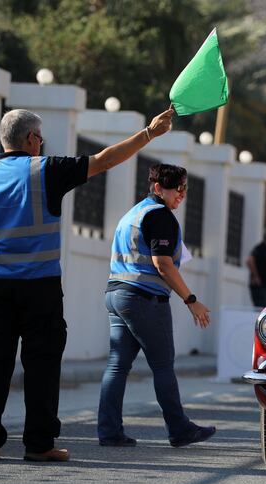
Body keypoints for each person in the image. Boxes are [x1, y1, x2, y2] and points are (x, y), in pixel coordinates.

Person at [0, 105, 174, 462]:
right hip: (40, 283)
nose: (42, 143)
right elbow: (105, 160)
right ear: (32, 139)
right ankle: (39, 443)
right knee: (42, 363)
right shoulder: (45, 169)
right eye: (41, 137)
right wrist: (149, 134)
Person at [99, 163, 215, 448]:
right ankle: (179, 429)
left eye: (184, 188)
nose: (182, 194)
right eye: (177, 189)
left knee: (117, 366)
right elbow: (162, 264)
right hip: (144, 298)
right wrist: (191, 300)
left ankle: (109, 432)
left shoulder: (134, 213)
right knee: (163, 365)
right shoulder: (160, 216)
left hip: (117, 294)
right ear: (157, 188)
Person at [246, 228, 266, 307]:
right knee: (262, 311)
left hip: (265, 288)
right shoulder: (261, 248)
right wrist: (255, 276)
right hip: (260, 288)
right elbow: (249, 261)